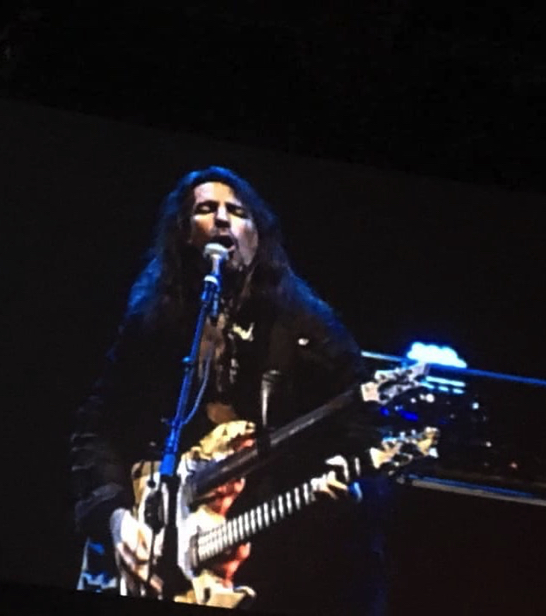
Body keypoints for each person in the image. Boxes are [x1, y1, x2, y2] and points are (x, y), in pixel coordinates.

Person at [70, 166, 389, 614]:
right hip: (156, 541)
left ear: (258, 235)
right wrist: (117, 517)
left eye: (238, 212)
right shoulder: (151, 321)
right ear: (183, 233)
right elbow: (98, 426)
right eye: (205, 209)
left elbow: (362, 424)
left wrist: (351, 486)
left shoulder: (307, 325)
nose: (222, 219)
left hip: (267, 558)